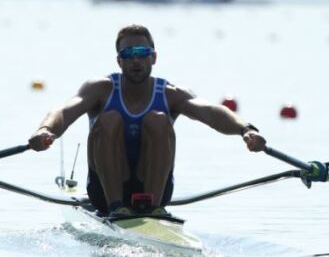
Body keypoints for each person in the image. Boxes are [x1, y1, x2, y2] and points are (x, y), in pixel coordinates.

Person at [28, 24, 266, 219]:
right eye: (128, 55)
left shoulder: (171, 93)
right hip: (104, 192)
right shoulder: (100, 89)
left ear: (153, 57)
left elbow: (212, 112)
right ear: (119, 61)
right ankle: (116, 207)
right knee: (109, 119)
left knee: (158, 120)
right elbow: (64, 111)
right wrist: (45, 130)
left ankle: (153, 209)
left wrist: (246, 130)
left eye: (142, 53)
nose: (136, 61)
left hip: (155, 190)